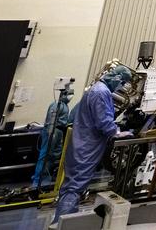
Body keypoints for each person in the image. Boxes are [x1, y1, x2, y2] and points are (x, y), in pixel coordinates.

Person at [52, 64, 133, 224]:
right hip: (87, 147)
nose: (122, 87)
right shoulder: (101, 93)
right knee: (74, 187)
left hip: (81, 143)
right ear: (117, 78)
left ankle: (60, 223)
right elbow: (104, 122)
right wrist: (116, 132)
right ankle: (62, 225)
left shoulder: (96, 89)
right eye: (123, 83)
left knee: (71, 186)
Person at [31, 82, 74, 192]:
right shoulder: (56, 105)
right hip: (52, 131)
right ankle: (37, 181)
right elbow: (51, 120)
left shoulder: (65, 106)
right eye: (69, 94)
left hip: (59, 132)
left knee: (53, 155)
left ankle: (45, 178)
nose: (71, 96)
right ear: (63, 94)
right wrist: (51, 133)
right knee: (45, 155)